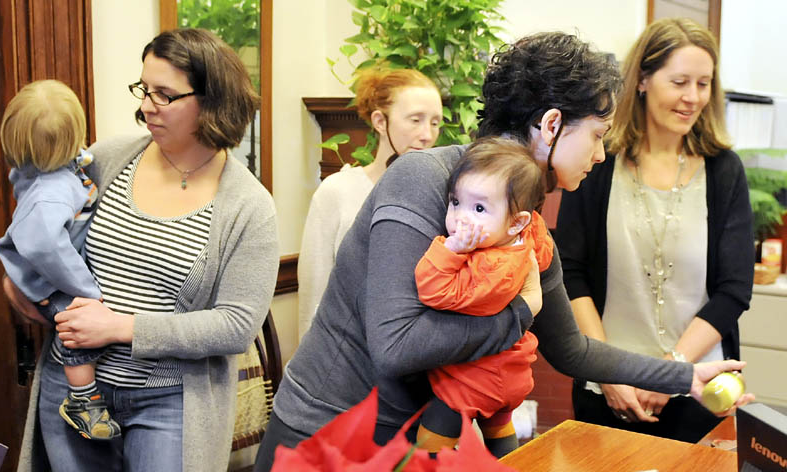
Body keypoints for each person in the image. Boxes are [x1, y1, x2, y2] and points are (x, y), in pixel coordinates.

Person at [253, 32, 753, 471]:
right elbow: (396, 346)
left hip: (417, 443)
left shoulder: (526, 226)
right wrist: (519, 311)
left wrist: (685, 376)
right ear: (551, 124)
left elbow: (572, 350)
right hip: (326, 437)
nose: (601, 155)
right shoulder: (423, 180)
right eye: (597, 136)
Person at [10, 28, 279, 472]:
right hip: (73, 390)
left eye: (163, 94)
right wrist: (19, 285)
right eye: (143, 89)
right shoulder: (106, 158)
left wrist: (120, 327)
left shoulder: (249, 206)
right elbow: (44, 232)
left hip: (169, 404)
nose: (145, 106)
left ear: (212, 100)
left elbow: (235, 325)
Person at [556, 18, 754, 443]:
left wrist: (672, 371)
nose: (693, 97)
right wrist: (606, 369)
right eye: (680, 81)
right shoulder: (598, 160)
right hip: (607, 387)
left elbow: (733, 290)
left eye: (704, 84)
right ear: (642, 79)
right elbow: (569, 273)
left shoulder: (723, 170)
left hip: (699, 392)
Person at [0, 79, 120, 441]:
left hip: (43, 271)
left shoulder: (51, 172)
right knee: (81, 329)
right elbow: (43, 246)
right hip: (48, 278)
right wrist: (86, 289)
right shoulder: (53, 192)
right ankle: (82, 401)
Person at [413, 137, 552, 457]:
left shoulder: (491, 268)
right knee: (500, 430)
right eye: (455, 202)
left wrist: (451, 251)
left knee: (430, 437)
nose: (461, 217)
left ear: (517, 221)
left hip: (473, 382)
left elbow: (434, 291)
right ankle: (507, 458)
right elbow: (542, 254)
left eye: (478, 208)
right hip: (509, 375)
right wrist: (530, 228)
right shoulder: (521, 243)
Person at [297, 68, 443, 340]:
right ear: (379, 121)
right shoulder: (337, 192)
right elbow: (313, 296)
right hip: (346, 353)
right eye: (415, 120)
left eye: (435, 123)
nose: (427, 134)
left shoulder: (440, 197)